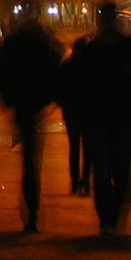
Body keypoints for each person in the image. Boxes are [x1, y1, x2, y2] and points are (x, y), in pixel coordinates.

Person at [80, 1, 131, 236]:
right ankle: (112, 216)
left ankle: (107, 219)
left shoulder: (92, 50)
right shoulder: (130, 49)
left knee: (103, 172)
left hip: (101, 120)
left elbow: (81, 86)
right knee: (120, 172)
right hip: (122, 120)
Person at [0, 0, 61, 232]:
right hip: (35, 102)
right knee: (33, 158)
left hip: (23, 103)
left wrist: (7, 99)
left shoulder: (15, 41)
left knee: (29, 158)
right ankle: (33, 207)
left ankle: (32, 206)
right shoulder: (43, 41)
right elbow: (55, 68)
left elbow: (1, 71)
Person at [58, 36, 91, 196]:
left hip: (72, 112)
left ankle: (75, 181)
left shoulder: (67, 66)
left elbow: (59, 89)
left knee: (74, 147)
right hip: (88, 112)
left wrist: (64, 104)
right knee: (88, 148)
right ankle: (86, 180)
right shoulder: (91, 66)